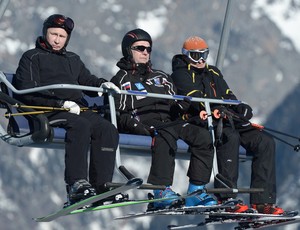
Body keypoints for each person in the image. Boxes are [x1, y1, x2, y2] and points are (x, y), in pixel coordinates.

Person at [14, 14, 121, 206]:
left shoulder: (72, 59)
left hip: (75, 108)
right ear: (45, 33)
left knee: (107, 129)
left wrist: (103, 84)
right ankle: (76, 184)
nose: (56, 40)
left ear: (67, 39)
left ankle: (102, 185)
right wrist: (59, 104)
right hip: (47, 109)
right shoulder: (32, 57)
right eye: (53, 34)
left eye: (61, 36)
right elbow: (26, 89)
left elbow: (87, 79)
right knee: (80, 126)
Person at [170, 35, 285, 215]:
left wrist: (240, 108)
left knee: (265, 142)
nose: (200, 60)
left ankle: (263, 202)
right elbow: (195, 99)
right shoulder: (180, 74)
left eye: (204, 55)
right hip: (202, 120)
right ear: (185, 55)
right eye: (195, 56)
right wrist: (217, 108)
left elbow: (229, 96)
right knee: (229, 136)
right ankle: (226, 197)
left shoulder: (213, 72)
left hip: (226, 118)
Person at [110, 28, 217, 210]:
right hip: (145, 122)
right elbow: (119, 114)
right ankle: (160, 191)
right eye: (139, 48)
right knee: (165, 133)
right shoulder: (121, 80)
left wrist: (190, 111)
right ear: (128, 50)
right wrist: (138, 127)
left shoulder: (161, 77)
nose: (145, 52)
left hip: (171, 121)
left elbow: (176, 103)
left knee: (203, 136)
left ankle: (196, 191)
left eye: (148, 49)